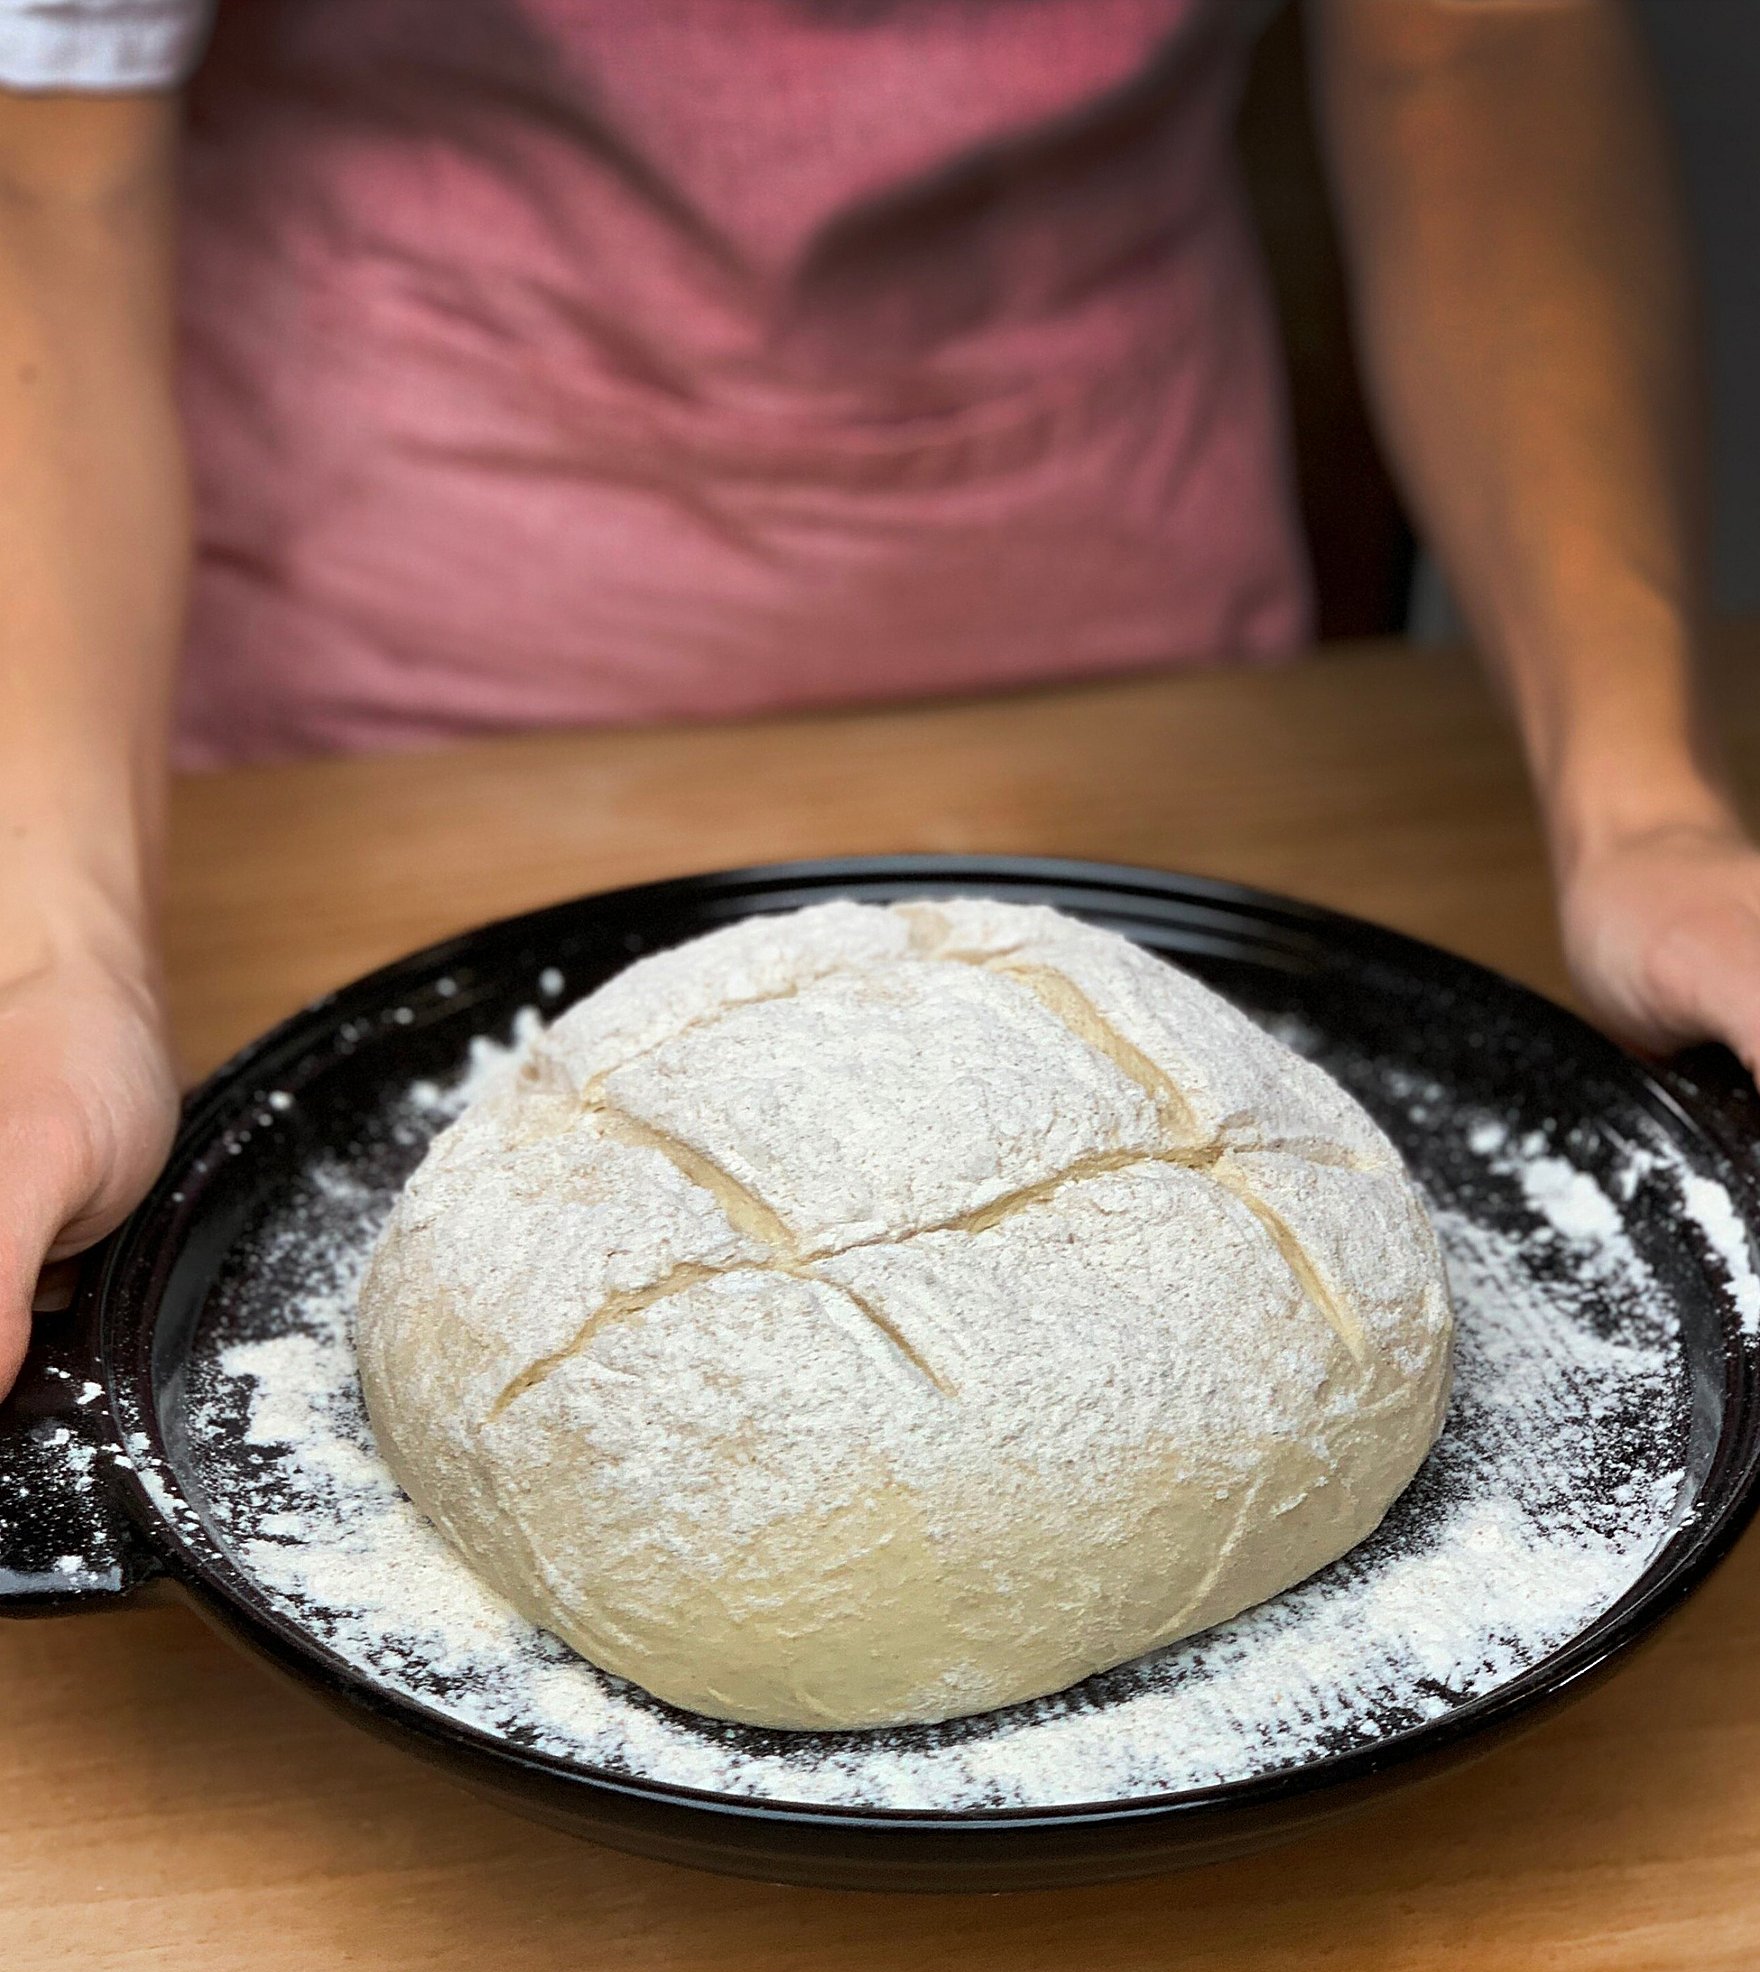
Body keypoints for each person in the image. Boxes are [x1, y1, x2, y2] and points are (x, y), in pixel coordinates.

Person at [1, 0, 1755, 1394]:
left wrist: (1644, 809)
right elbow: (48, 174)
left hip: (1148, 678)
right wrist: (50, 955)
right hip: (380, 706)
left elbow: (1476, 40)